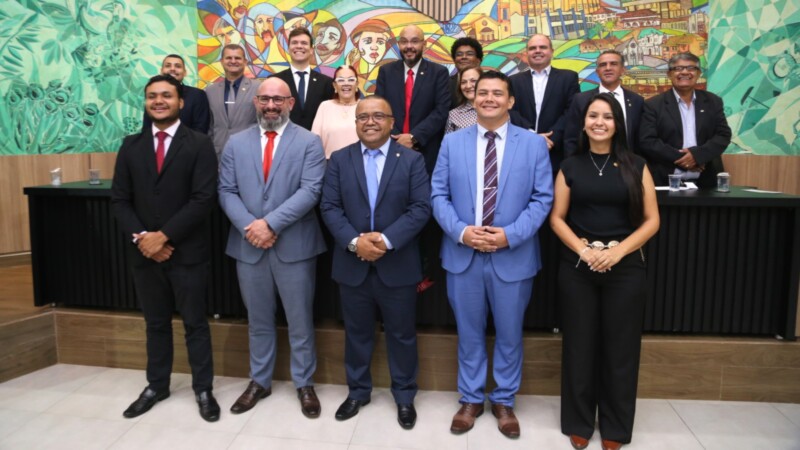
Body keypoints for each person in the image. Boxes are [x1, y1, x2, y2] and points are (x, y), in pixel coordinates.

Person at [431, 71, 553, 438]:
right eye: (482, 92)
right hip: (463, 254)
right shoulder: (452, 142)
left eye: (497, 93)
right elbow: (438, 194)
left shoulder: (532, 144)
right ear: (473, 99)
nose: (488, 98)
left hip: (512, 255)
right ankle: (470, 399)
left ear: (510, 101)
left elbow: (542, 198)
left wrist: (509, 236)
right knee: (468, 333)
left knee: (510, 333)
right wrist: (462, 232)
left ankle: (503, 400)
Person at [549, 93, 659, 450]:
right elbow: (557, 219)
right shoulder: (570, 166)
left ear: (617, 124)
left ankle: (615, 427)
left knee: (620, 349)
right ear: (583, 123)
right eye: (593, 116)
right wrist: (584, 251)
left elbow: (652, 220)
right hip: (577, 267)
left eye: (607, 117)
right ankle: (578, 422)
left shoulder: (637, 165)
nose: (599, 122)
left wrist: (617, 253)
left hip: (625, 267)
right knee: (579, 346)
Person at [111, 74, 219, 422]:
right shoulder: (130, 146)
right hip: (144, 254)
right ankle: (156, 385)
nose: (158, 101)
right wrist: (145, 238)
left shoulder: (199, 144)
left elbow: (203, 198)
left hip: (187, 253)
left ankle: (203, 389)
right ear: (146, 102)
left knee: (195, 324)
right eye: (152, 96)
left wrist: (165, 236)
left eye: (166, 96)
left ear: (180, 102)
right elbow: (120, 200)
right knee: (155, 323)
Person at [218, 77, 327, 419]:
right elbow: (226, 191)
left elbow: (311, 190)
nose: (270, 105)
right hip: (248, 245)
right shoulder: (235, 143)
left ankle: (304, 383)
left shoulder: (309, 142)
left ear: (290, 103)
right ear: (256, 102)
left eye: (278, 100)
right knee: (258, 320)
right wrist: (251, 227)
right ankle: (259, 381)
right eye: (264, 99)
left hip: (294, 247)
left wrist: (270, 224)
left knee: (300, 320)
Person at [320, 95, 431, 430]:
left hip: (397, 263)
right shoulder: (340, 159)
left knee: (402, 334)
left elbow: (420, 208)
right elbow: (329, 207)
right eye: (363, 117)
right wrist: (357, 243)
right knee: (356, 333)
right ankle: (358, 392)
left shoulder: (411, 160)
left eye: (378, 116)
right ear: (355, 123)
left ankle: (404, 396)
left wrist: (384, 240)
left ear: (391, 122)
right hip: (352, 264)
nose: (370, 122)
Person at [639, 52, 732, 188]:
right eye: (678, 68)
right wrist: (684, 160)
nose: (684, 72)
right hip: (665, 181)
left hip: (706, 182)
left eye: (691, 68)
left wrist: (697, 156)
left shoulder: (713, 101)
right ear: (669, 74)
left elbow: (723, 135)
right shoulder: (653, 105)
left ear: (698, 73)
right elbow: (647, 141)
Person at [375, 25, 450, 173]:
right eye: (404, 41)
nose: (409, 46)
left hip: (425, 149)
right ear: (399, 44)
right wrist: (397, 138)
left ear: (424, 44)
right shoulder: (386, 72)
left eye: (415, 41)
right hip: (391, 147)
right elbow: (380, 108)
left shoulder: (439, 72)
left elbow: (441, 111)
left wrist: (413, 137)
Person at [510, 34, 579, 173]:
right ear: (527, 53)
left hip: (557, 151)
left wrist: (551, 139)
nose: (537, 51)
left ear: (551, 52)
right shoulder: (513, 81)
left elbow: (571, 110)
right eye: (532, 48)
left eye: (543, 47)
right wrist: (532, 136)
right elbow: (511, 111)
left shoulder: (569, 77)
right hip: (522, 149)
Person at [563, 50, 644, 158]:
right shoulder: (580, 100)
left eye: (613, 64)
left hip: (627, 163)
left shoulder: (637, 101)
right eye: (603, 65)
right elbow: (571, 139)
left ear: (623, 70)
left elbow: (640, 139)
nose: (608, 68)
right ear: (597, 72)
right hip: (590, 163)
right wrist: (572, 165)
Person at [271, 27, 335, 130]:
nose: (299, 46)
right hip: (283, 137)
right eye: (294, 43)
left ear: (311, 50)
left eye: (304, 43)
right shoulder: (275, 81)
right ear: (288, 49)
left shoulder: (326, 83)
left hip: (316, 138)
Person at [206, 44, 262, 156]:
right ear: (222, 61)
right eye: (228, 58)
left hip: (249, 152)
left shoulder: (259, 88)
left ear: (245, 62)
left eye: (237, 58)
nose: (233, 61)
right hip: (218, 154)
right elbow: (209, 125)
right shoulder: (210, 91)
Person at [446, 67, 533, 134]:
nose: (468, 86)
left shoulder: (505, 111)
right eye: (463, 82)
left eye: (473, 81)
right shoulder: (454, 115)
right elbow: (449, 146)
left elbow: (529, 136)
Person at [142, 54, 210, 134]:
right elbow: (147, 128)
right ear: (161, 71)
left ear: (185, 72)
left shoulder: (197, 95)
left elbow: (200, 129)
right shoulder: (153, 94)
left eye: (178, 66)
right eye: (168, 66)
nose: (172, 69)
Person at [311, 65, 360, 157]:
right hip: (329, 162)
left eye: (351, 80)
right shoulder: (325, 106)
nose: (346, 83)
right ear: (334, 85)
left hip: (360, 162)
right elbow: (314, 141)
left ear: (357, 84)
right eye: (341, 80)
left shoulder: (365, 106)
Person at [449, 37, 483, 108]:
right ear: (454, 60)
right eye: (459, 54)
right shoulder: (445, 84)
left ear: (479, 60)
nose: (464, 57)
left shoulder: (490, 81)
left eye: (469, 54)